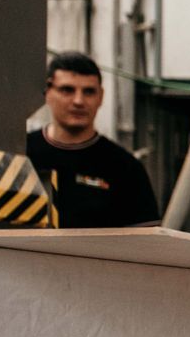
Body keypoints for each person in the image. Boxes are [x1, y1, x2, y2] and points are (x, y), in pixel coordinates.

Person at [25, 52, 161, 228]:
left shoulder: (125, 168)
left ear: (101, 96)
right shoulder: (22, 153)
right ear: (47, 93)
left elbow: (146, 239)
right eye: (67, 90)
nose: (79, 101)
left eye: (89, 92)